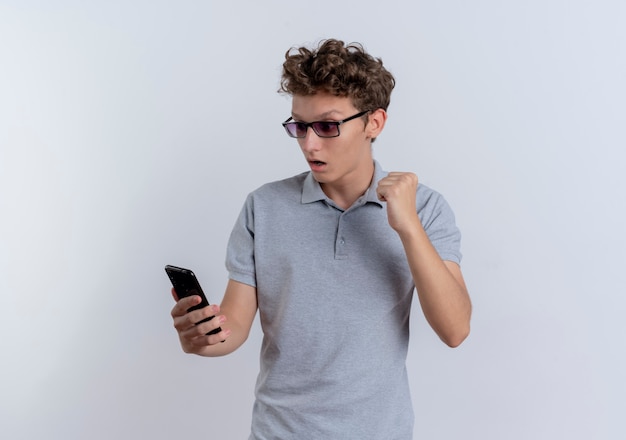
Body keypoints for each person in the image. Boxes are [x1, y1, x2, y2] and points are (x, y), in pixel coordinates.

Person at [170, 38, 472, 439]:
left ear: (374, 123)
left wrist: (408, 226)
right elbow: (234, 328)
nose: (309, 144)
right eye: (299, 126)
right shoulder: (264, 206)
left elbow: (455, 330)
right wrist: (200, 338)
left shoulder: (425, 208)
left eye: (328, 126)